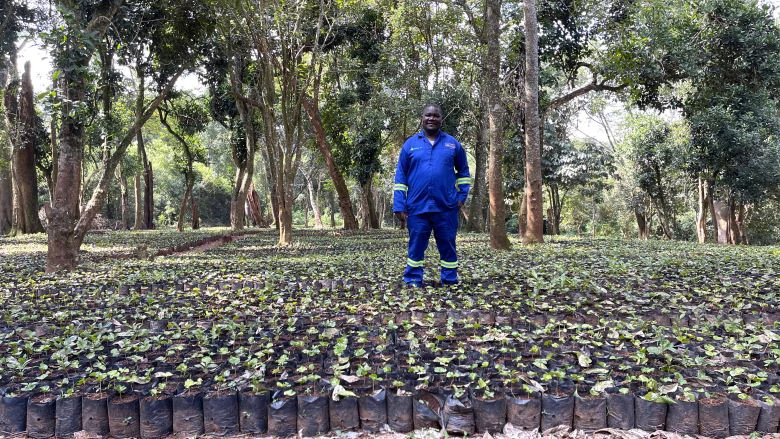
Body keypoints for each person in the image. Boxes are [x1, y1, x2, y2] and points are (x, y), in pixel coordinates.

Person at [393, 104, 472, 286]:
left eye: (436, 115)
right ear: (422, 118)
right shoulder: (410, 145)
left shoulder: (452, 144)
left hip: (446, 207)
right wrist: (399, 205)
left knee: (448, 246)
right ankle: (413, 280)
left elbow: (464, 172)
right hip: (417, 207)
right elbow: (400, 177)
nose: (431, 118)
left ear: (441, 119)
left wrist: (461, 197)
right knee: (416, 247)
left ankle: (450, 280)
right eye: (428, 115)